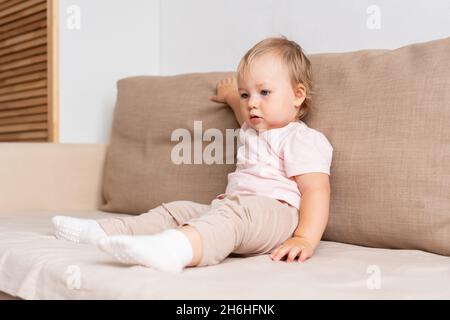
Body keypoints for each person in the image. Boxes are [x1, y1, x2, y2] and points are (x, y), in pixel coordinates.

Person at [52, 36, 333, 274]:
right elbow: (241, 108)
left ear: (297, 95)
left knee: (234, 215)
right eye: (246, 94)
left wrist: (304, 238)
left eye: (264, 92)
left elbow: (316, 189)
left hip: (276, 215)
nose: (252, 104)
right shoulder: (251, 125)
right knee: (179, 210)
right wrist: (231, 95)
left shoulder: (301, 138)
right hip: (232, 206)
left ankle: (177, 250)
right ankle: (104, 233)